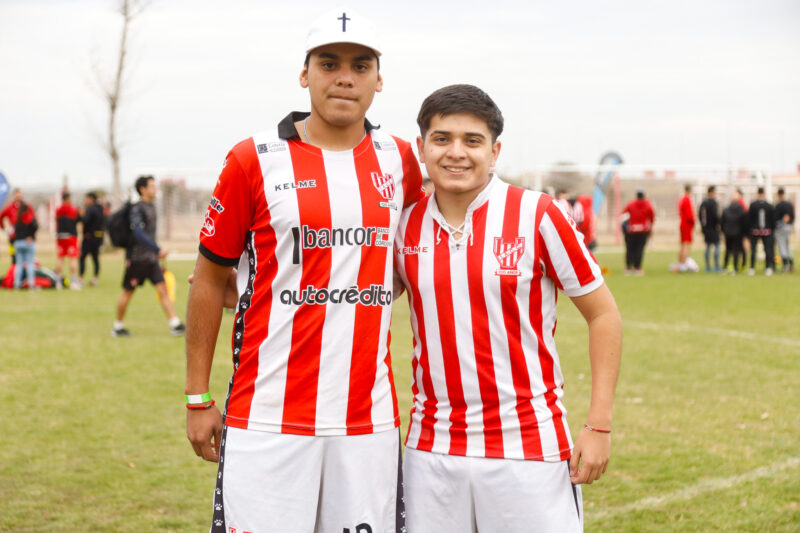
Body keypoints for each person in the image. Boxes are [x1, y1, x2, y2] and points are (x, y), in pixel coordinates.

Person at [184, 9, 423, 533]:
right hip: (266, 416)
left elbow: (414, 261)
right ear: (304, 74)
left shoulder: (401, 159)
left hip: (367, 421)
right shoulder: (252, 159)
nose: (345, 78)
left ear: (379, 80)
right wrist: (197, 397)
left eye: (360, 66)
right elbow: (208, 279)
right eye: (329, 64)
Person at [394, 84, 622, 532]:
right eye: (441, 139)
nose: (456, 152)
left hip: (528, 449)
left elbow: (603, 315)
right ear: (421, 148)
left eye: (472, 140)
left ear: (494, 152)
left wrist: (599, 425)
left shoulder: (539, 214)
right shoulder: (402, 224)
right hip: (432, 451)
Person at [111, 175, 185, 337]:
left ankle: (175, 324)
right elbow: (137, 232)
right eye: (151, 186)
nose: (155, 188)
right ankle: (117, 327)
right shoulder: (137, 209)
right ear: (143, 189)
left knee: (162, 288)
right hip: (137, 259)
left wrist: (155, 251)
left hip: (151, 259)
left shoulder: (151, 206)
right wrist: (157, 249)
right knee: (128, 291)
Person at [621, 189, 655, 275]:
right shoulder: (648, 204)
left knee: (629, 249)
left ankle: (628, 267)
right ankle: (637, 268)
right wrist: (650, 227)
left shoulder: (631, 204)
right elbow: (652, 217)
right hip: (643, 231)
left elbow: (624, 214)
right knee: (639, 249)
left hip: (631, 230)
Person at [747, 186, 776, 276]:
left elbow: (749, 219)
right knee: (767, 250)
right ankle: (767, 268)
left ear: (758, 194)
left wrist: (749, 230)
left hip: (755, 231)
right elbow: (773, 220)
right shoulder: (769, 206)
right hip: (766, 231)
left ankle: (752, 268)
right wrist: (772, 229)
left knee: (754, 250)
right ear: (763, 194)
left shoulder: (753, 205)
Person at [54, 191, 81, 289]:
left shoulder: (58, 209)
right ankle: (74, 282)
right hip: (70, 237)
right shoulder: (73, 209)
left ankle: (58, 282)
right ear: (68, 199)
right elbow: (79, 219)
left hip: (60, 237)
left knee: (60, 259)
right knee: (73, 259)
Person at [79, 192, 105, 287]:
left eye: (87, 199)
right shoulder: (100, 208)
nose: (86, 201)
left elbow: (85, 220)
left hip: (89, 237)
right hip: (99, 237)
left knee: (82, 257)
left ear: (91, 199)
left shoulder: (89, 208)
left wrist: (81, 214)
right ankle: (95, 278)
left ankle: (81, 278)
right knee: (95, 258)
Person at [720, 190, 747, 274]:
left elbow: (722, 222)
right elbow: (744, 223)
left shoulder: (726, 209)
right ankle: (735, 268)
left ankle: (725, 267)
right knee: (736, 251)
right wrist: (744, 234)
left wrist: (724, 231)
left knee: (728, 250)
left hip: (728, 233)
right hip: (737, 233)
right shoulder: (741, 210)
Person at [13, 201, 38, 289]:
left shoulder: (17, 218)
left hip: (18, 243)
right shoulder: (29, 217)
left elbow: (14, 231)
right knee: (30, 264)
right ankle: (31, 284)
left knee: (19, 265)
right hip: (28, 243)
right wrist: (30, 236)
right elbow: (35, 226)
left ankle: (16, 284)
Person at [698, 185, 721, 272]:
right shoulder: (713, 203)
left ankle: (707, 266)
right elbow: (716, 216)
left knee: (707, 246)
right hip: (714, 228)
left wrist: (703, 227)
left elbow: (700, 216)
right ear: (712, 192)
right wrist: (719, 224)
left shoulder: (703, 203)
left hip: (706, 228)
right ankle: (716, 266)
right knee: (716, 246)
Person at [0, 188, 24, 264]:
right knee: (14, 257)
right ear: (14, 196)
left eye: (20, 195)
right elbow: (1, 216)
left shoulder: (25, 207)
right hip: (13, 237)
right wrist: (4, 228)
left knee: (24, 259)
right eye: (17, 195)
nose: (18, 197)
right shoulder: (10, 207)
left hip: (24, 236)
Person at [774, 188, 794, 273]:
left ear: (778, 195)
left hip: (780, 228)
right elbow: (792, 216)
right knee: (787, 245)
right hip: (789, 227)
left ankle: (785, 266)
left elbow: (778, 218)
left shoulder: (778, 205)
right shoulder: (789, 204)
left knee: (782, 246)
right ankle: (791, 265)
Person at [677, 184, 696, 271]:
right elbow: (689, 215)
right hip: (687, 224)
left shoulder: (681, 199)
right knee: (686, 244)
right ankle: (684, 264)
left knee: (682, 244)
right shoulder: (687, 200)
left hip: (682, 223)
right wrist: (693, 222)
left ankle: (681, 262)